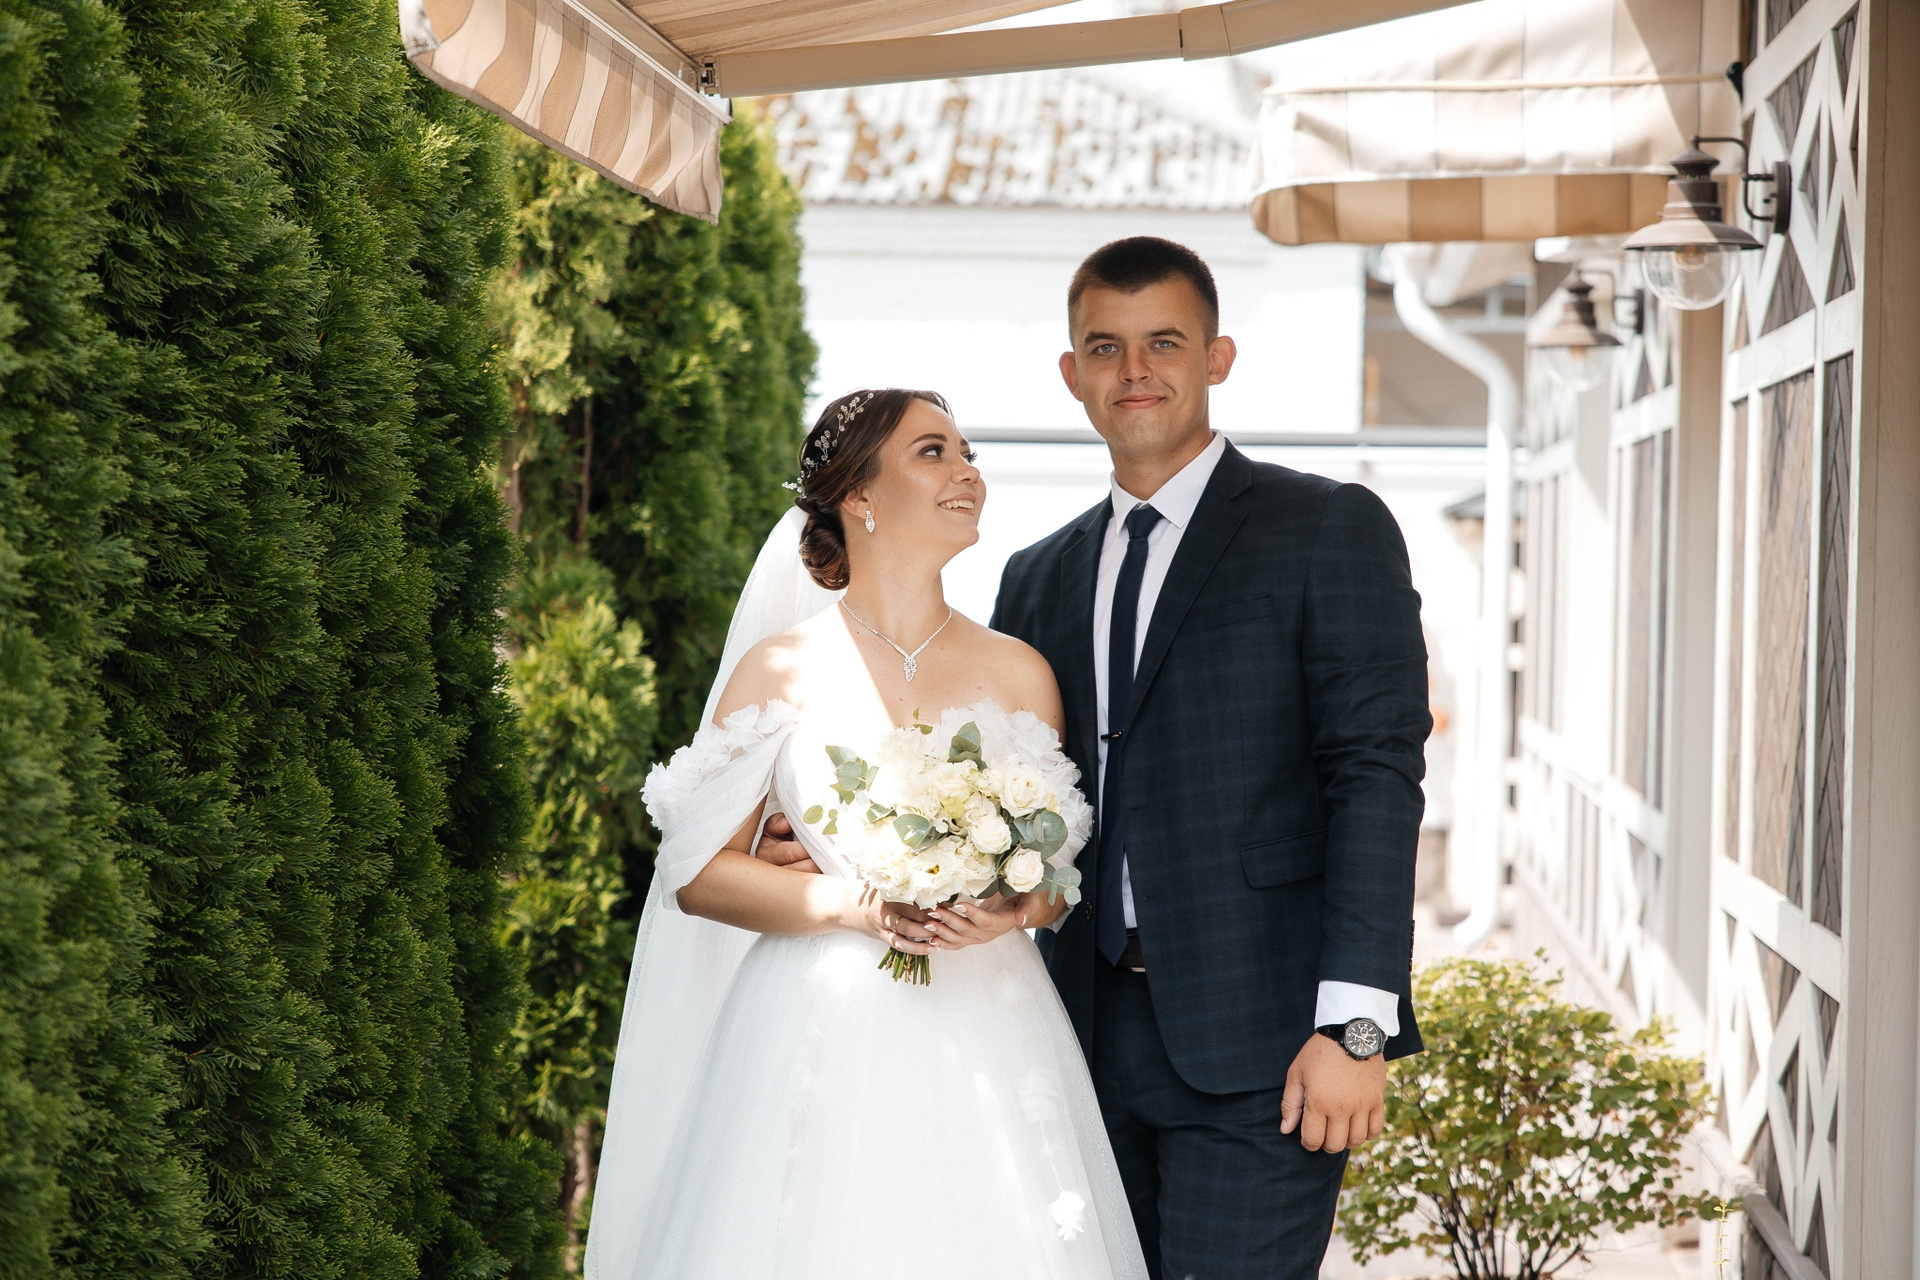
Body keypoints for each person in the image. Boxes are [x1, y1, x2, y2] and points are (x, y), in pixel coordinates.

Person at [581, 389, 1149, 1280]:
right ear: (859, 496)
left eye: (969, 454)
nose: (968, 472)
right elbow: (696, 874)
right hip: (814, 1021)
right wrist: (855, 904)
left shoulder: (1020, 670)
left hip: (990, 1026)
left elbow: (1056, 880)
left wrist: (1009, 911)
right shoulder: (782, 668)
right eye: (934, 452)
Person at [990, 236, 1430, 1278]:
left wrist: (1356, 1029)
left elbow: (1376, 776)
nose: (1133, 370)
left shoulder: (1326, 526)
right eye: (1105, 347)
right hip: (1075, 1039)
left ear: (1217, 356)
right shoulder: (1034, 576)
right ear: (1072, 372)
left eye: (1164, 342)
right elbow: (994, 785)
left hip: (1266, 1042)